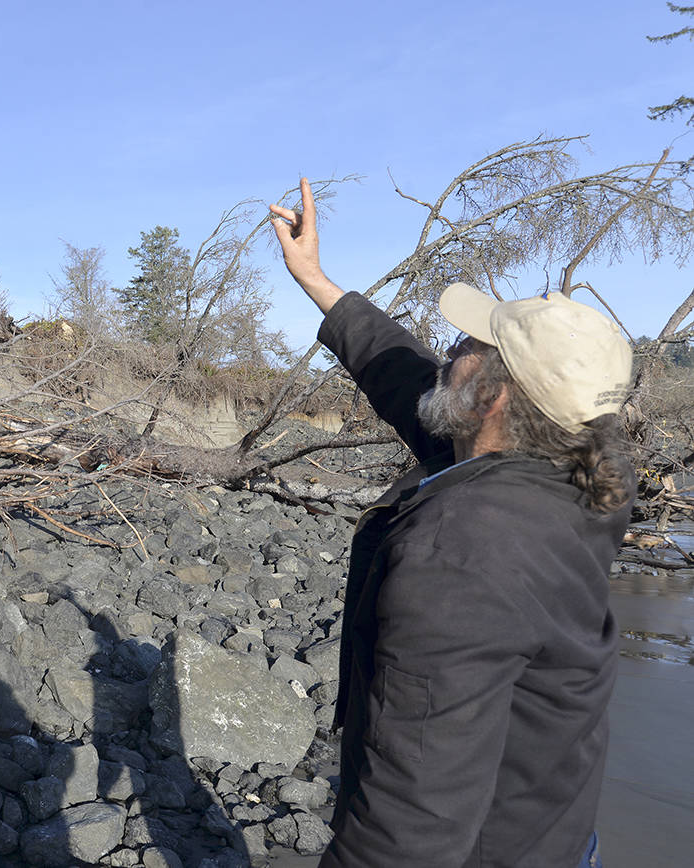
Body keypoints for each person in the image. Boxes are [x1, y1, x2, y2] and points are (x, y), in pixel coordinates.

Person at [268, 179, 633, 868]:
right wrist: (316, 279)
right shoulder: (582, 470)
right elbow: (406, 376)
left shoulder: (467, 553)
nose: (448, 351)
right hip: (555, 831)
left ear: (492, 398)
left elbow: (414, 820)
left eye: (466, 344)